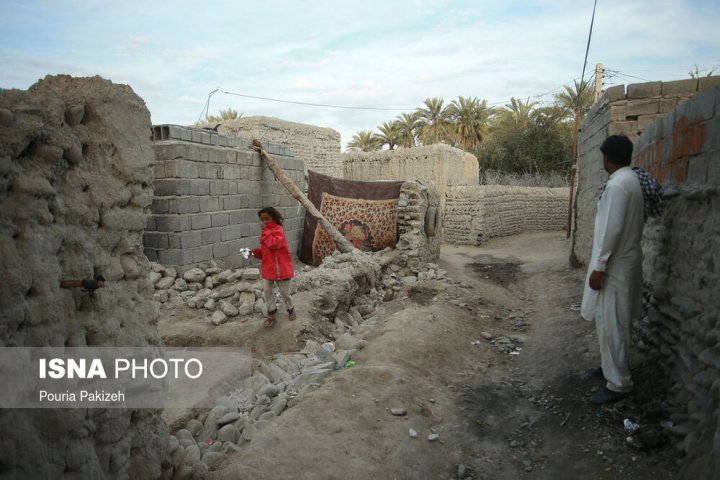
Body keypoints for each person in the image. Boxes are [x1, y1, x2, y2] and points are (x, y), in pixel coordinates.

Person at [580, 134, 645, 404]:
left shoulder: (618, 186)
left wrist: (600, 267)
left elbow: (612, 230)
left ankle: (619, 383)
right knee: (609, 321)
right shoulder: (630, 180)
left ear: (606, 157)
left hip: (615, 266)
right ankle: (609, 368)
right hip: (620, 262)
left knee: (613, 323)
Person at [251, 207, 296, 327]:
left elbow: (274, 244)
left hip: (282, 270)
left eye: (267, 219)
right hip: (269, 269)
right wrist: (255, 252)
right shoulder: (266, 232)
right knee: (267, 293)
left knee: (285, 293)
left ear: (274, 218)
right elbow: (267, 251)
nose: (264, 222)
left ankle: (290, 309)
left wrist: (265, 231)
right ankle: (272, 314)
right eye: (262, 219)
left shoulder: (278, 230)